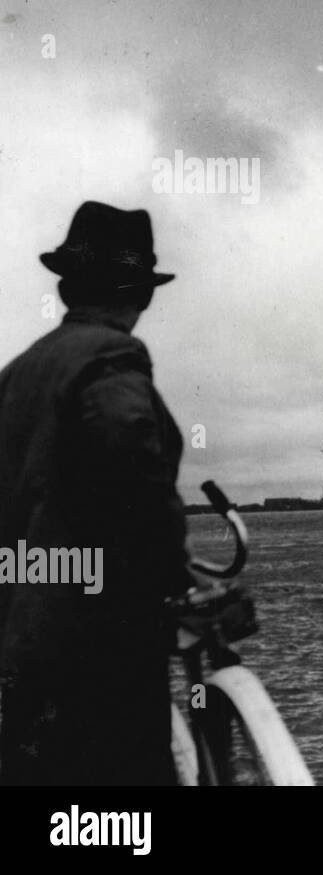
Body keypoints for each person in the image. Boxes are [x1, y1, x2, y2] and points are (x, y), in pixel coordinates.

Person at [0, 202, 191, 785]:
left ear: (67, 284)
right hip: (99, 666)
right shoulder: (111, 358)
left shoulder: (17, 375)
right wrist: (173, 573)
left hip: (20, 660)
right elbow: (132, 471)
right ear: (144, 293)